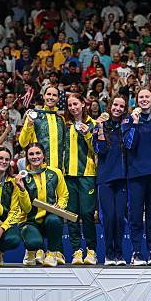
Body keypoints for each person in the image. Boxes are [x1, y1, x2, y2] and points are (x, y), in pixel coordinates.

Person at [122, 89, 151, 266]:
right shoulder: (129, 120)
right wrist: (135, 123)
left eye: (147, 97)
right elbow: (129, 144)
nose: (145, 99)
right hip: (136, 175)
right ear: (136, 101)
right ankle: (137, 252)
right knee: (136, 216)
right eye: (141, 97)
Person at [18, 143, 69, 267]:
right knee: (33, 242)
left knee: (54, 220)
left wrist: (60, 205)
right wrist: (21, 189)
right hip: (30, 220)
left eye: (38, 153)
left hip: (49, 217)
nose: (35, 157)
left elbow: (64, 194)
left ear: (43, 155)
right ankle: (33, 250)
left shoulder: (55, 172)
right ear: (27, 157)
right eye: (31, 154)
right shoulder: (22, 176)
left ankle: (51, 253)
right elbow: (25, 207)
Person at [93, 95, 128, 266]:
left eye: (121, 106)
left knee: (120, 218)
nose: (118, 108)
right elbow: (100, 149)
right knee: (108, 218)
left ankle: (119, 253)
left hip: (122, 178)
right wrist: (99, 128)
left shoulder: (126, 127)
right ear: (110, 106)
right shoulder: (101, 126)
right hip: (105, 178)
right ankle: (108, 253)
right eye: (115, 105)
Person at [63, 93, 98, 265]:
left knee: (87, 214)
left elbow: (97, 148)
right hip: (69, 175)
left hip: (87, 175)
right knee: (71, 215)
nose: (73, 107)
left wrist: (87, 135)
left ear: (83, 104)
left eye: (75, 104)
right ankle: (77, 250)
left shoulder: (93, 124)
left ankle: (91, 250)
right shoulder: (66, 125)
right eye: (70, 105)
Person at [19, 86, 65, 170]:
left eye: (54, 95)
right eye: (48, 94)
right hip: (38, 168)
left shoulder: (61, 119)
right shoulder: (34, 116)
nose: (51, 97)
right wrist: (29, 125)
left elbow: (63, 146)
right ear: (44, 96)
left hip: (58, 169)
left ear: (58, 99)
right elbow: (23, 143)